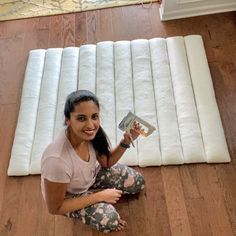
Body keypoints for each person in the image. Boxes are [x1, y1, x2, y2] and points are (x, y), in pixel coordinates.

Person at [41, 90, 145, 233]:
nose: (91, 125)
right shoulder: (56, 161)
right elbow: (55, 208)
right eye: (81, 118)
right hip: (69, 196)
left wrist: (126, 141)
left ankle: (92, 192)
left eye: (94, 117)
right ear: (68, 119)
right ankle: (92, 196)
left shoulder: (91, 134)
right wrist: (100, 196)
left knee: (138, 182)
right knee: (111, 221)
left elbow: (107, 162)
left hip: (89, 177)